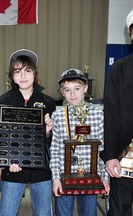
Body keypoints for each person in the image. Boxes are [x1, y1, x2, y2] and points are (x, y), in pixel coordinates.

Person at [0, 49, 56, 216]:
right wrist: (4, 162)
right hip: (12, 167)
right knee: (7, 211)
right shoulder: (2, 102)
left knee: (43, 212)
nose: (23, 75)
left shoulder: (48, 102)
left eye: (28, 70)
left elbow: (52, 143)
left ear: (35, 73)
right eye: (17, 71)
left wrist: (48, 132)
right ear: (11, 75)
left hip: (41, 170)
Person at [50, 69, 110, 216]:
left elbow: (102, 148)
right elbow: (56, 149)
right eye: (67, 90)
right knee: (63, 212)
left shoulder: (98, 114)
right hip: (66, 175)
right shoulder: (58, 116)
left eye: (77, 89)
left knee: (89, 212)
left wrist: (104, 177)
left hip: (91, 175)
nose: (72, 94)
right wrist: (56, 178)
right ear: (62, 93)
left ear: (85, 88)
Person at [100, 9, 133, 216]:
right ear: (131, 34)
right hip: (124, 158)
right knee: (120, 210)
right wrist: (111, 156)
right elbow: (110, 115)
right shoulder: (119, 70)